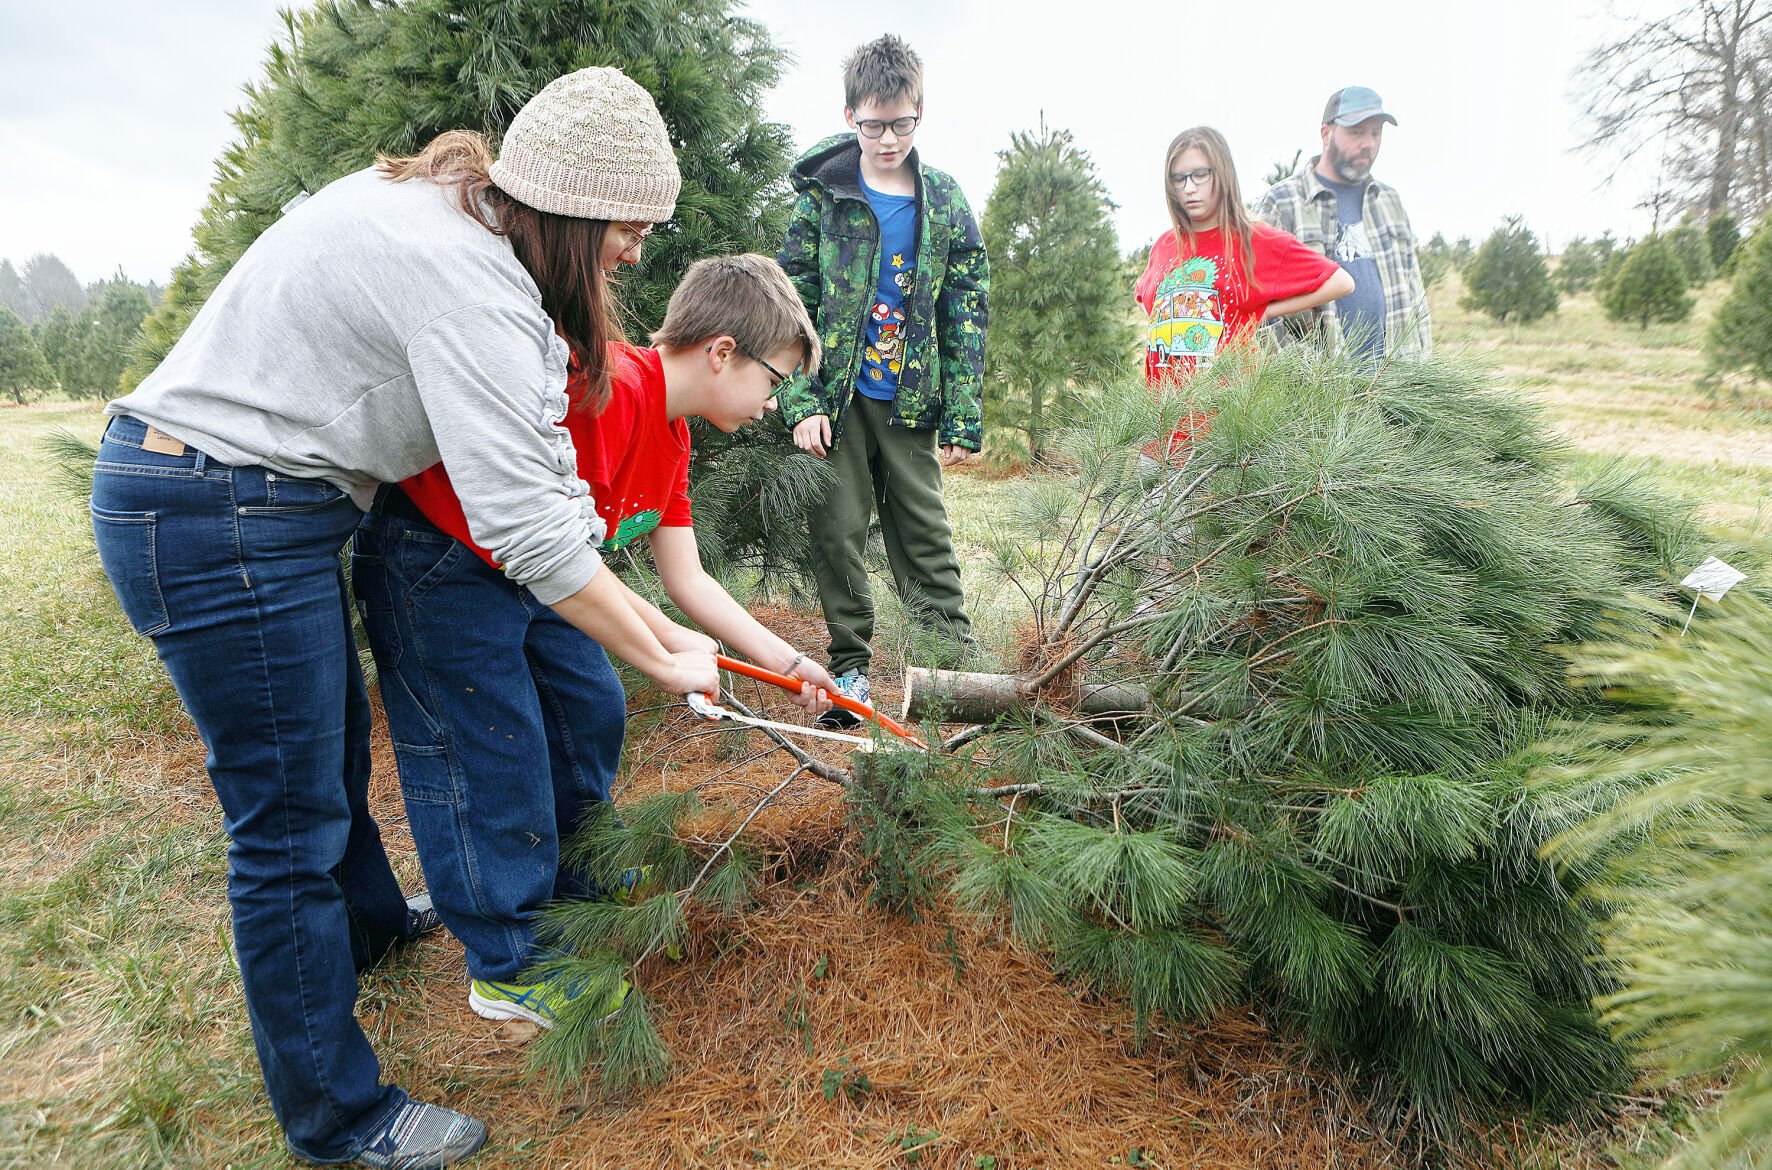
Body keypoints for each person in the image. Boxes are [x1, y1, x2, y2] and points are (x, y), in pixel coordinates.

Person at [89, 67, 716, 1169]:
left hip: (246, 500)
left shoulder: (460, 218)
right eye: (628, 229)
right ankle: (338, 1119)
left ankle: (378, 929)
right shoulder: (468, 281)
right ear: (574, 211)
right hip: (213, 506)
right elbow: (526, 530)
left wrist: (657, 630)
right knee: (285, 827)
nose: (633, 254)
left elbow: (545, 479)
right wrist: (661, 653)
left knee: (324, 767)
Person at [356, 253, 837, 1029]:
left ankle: (583, 868)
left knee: (589, 703)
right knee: (491, 748)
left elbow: (689, 582)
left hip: (538, 572)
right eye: (775, 381)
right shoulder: (601, 384)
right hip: (443, 559)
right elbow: (527, 517)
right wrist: (665, 653)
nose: (774, 404)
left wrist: (785, 661)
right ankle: (507, 962)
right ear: (722, 352)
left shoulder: (674, 438)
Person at [775, 34, 987, 728]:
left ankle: (954, 673)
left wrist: (961, 413)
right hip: (837, 400)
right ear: (849, 116)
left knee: (924, 532)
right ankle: (850, 674)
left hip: (912, 400)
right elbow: (788, 301)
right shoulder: (822, 199)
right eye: (873, 125)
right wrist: (798, 401)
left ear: (919, 114)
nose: (887, 138)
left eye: (901, 123)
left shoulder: (946, 202)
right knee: (836, 532)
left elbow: (966, 309)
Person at [1136, 126, 1353, 453]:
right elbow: (1144, 297)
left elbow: (1340, 282)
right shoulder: (1166, 245)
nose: (1189, 188)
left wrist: (1261, 311)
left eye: (1200, 175)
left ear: (1221, 174)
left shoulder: (1255, 241)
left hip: (1222, 436)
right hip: (1160, 430)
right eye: (1178, 179)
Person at [1254, 87, 1432, 362]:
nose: (1368, 143)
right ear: (1326, 134)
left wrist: (1421, 376)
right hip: (1323, 395)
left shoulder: (1390, 201)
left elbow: (1415, 297)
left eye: (1376, 133)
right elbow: (1258, 308)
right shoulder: (1282, 203)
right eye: (1356, 132)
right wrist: (1304, 376)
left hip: (1395, 387)